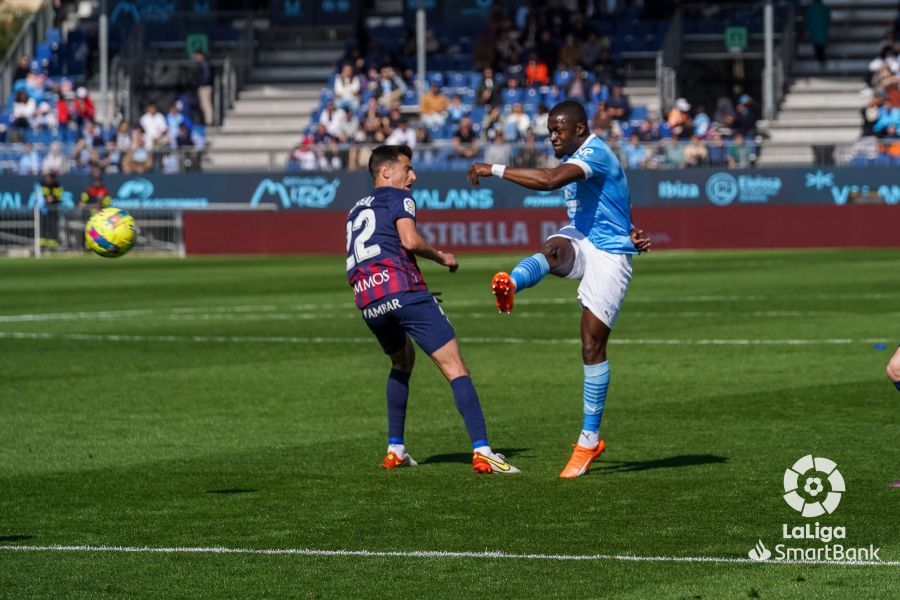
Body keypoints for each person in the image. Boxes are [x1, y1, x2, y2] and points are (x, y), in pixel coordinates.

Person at [466, 101, 650, 479]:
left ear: (580, 129)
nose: (552, 136)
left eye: (558, 130)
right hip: (582, 238)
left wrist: (493, 168)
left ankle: (589, 440)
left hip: (610, 254)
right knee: (554, 249)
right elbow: (614, 197)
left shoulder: (594, 153)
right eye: (549, 130)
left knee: (591, 345)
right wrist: (631, 226)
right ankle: (511, 284)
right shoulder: (578, 152)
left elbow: (550, 181)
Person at [346, 145, 519, 475]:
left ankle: (395, 449)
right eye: (407, 168)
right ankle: (483, 451)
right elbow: (409, 241)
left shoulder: (355, 209)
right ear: (386, 172)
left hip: (369, 299)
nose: (413, 175)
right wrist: (441, 257)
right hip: (403, 292)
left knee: (402, 361)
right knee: (455, 367)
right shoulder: (400, 197)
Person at [804, 0, 831, 67]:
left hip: (815, 31)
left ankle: (820, 60)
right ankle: (821, 60)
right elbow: (828, 20)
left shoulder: (810, 9)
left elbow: (807, 20)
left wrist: (808, 29)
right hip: (821, 30)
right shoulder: (824, 8)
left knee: (818, 46)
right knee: (820, 46)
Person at [194, 50, 213, 126]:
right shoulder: (202, 64)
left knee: (206, 104)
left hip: (205, 87)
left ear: (200, 55)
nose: (196, 58)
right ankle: (207, 121)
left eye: (197, 56)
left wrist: (202, 83)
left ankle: (209, 121)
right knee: (203, 105)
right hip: (204, 86)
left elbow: (206, 76)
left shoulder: (204, 63)